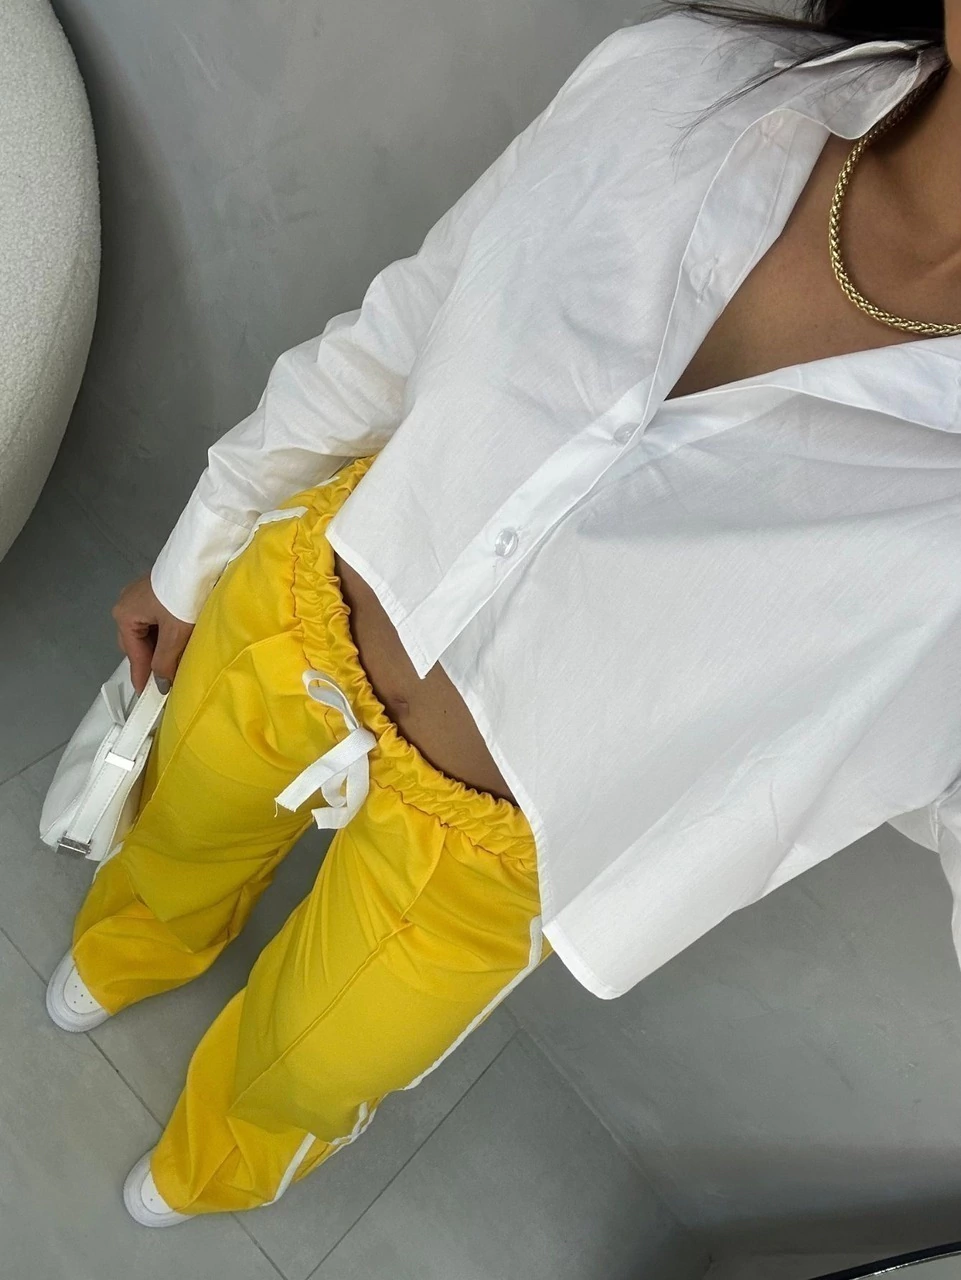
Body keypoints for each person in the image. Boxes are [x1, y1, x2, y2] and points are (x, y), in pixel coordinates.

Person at [45, 0, 961, 1226]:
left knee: (322, 1058)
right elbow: (399, 332)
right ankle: (134, 946)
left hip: (498, 849)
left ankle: (225, 1155)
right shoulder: (676, 83)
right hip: (300, 610)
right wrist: (193, 554)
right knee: (178, 830)